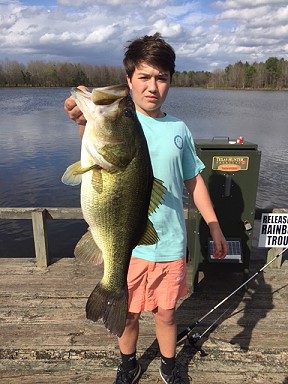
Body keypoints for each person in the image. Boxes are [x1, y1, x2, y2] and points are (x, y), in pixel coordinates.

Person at [64, 33, 227, 384]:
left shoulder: (179, 129)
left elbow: (194, 181)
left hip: (169, 244)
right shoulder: (114, 122)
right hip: (129, 244)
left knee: (167, 314)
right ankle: (128, 363)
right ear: (129, 80)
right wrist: (83, 120)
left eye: (161, 77)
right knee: (130, 315)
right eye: (144, 76)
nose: (152, 86)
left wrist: (213, 224)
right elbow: (95, 155)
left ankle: (169, 364)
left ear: (170, 82)